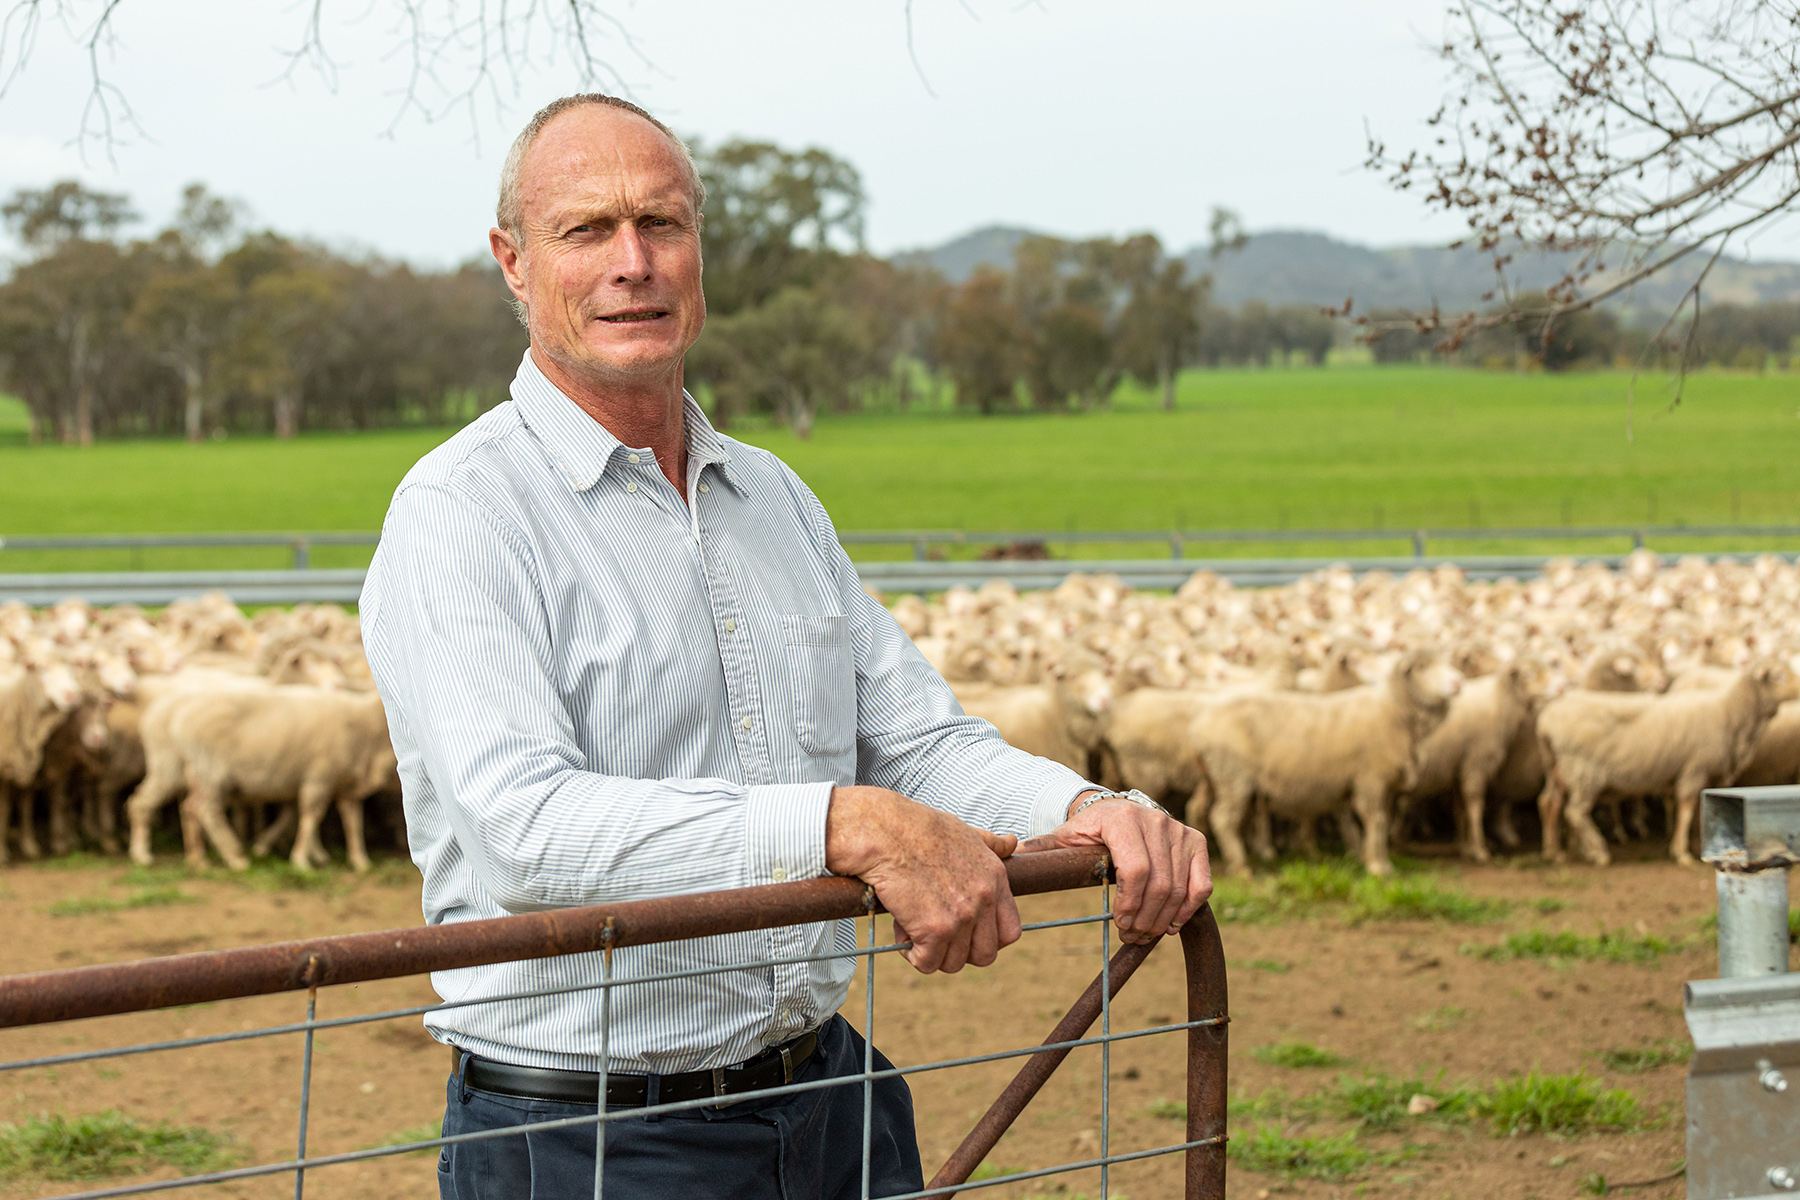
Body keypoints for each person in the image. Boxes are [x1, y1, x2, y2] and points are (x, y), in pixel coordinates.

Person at [360, 92, 1212, 1200]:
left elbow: (912, 742)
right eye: (586, 230)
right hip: (593, 1136)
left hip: (830, 1101)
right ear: (513, 262)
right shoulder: (462, 513)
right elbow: (526, 829)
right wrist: (838, 822)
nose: (635, 262)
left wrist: (1086, 811)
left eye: (662, 224)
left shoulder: (771, 496)